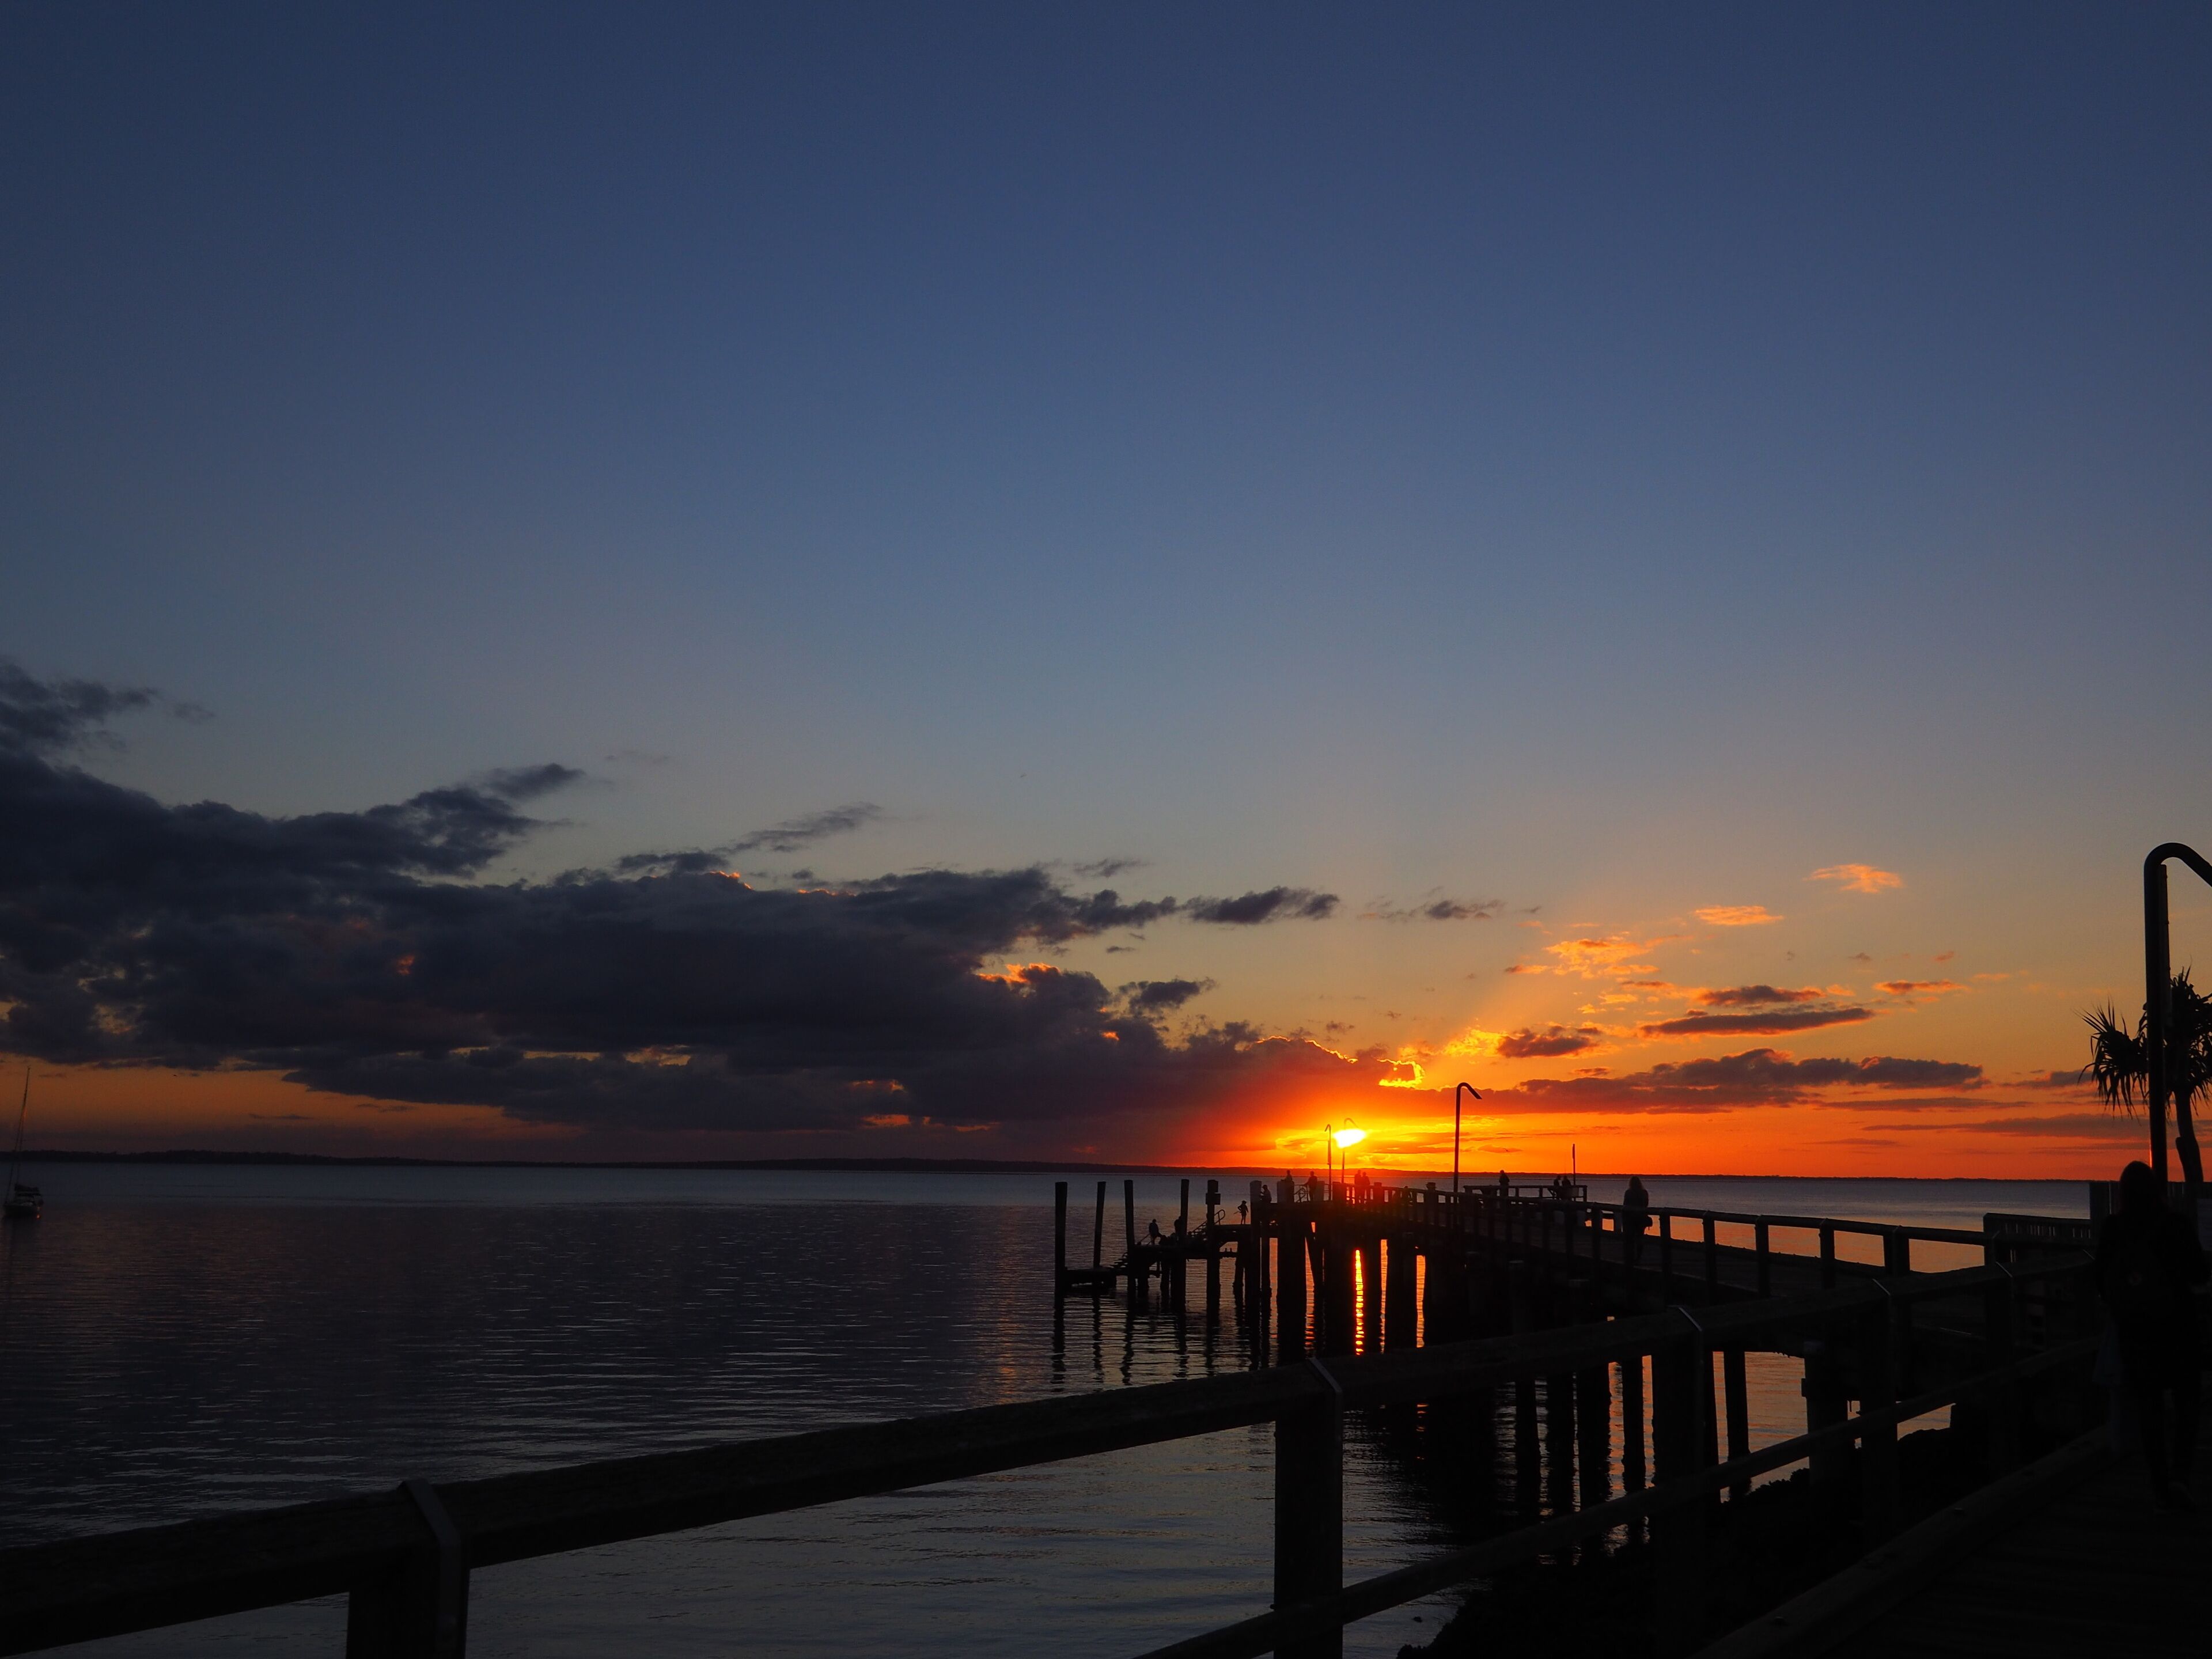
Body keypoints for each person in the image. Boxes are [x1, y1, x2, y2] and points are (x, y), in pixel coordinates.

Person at [2095, 1160, 2208, 1509]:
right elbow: (2200, 1274)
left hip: (2136, 1334)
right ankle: (2180, 1475)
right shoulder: (2176, 1225)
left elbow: (2101, 1279)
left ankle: (2160, 1484)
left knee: (2150, 1407)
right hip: (2180, 1331)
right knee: (2188, 1401)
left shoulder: (2114, 1228)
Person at [1623, 1175, 1653, 1267]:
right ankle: (1638, 1257)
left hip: (1631, 1219)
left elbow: (1625, 1205)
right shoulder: (1644, 1193)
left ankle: (1630, 1258)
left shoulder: (1628, 1192)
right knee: (1640, 1238)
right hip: (1641, 1218)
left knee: (1630, 1239)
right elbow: (1646, 1204)